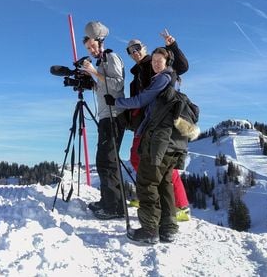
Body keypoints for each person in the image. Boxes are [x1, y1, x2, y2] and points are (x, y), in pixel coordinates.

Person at [105, 47, 187, 244]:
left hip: (159, 138)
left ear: (166, 62)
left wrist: (117, 102)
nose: (156, 64)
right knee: (164, 182)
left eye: (159, 61)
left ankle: (150, 230)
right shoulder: (171, 80)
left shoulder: (162, 79)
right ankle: (168, 228)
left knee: (147, 181)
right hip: (172, 141)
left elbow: (142, 100)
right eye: (154, 61)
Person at [125, 30, 192, 222]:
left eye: (137, 47)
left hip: (159, 123)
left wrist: (173, 45)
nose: (134, 52)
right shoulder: (137, 73)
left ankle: (181, 205)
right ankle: (147, 195)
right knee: (137, 159)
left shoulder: (155, 64)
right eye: (130, 50)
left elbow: (182, 66)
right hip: (144, 123)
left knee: (164, 165)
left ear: (144, 48)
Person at [80, 30, 127, 220]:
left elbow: (117, 84)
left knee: (108, 162)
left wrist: (93, 72)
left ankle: (115, 207)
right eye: (88, 48)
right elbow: (104, 87)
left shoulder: (111, 57)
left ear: (101, 42)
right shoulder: (101, 63)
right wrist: (91, 80)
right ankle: (108, 201)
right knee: (104, 160)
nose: (91, 50)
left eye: (93, 46)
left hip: (115, 116)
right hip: (106, 116)